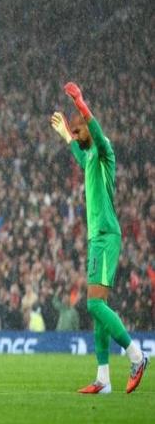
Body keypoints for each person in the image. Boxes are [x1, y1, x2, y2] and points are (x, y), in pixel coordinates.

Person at [51, 82, 148, 394]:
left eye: (79, 130)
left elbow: (94, 131)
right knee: (98, 307)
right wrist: (67, 136)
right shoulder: (90, 156)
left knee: (93, 304)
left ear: (89, 127)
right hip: (96, 239)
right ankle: (103, 379)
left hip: (107, 235)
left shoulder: (104, 149)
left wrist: (80, 103)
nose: (77, 134)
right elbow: (81, 158)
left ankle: (137, 357)